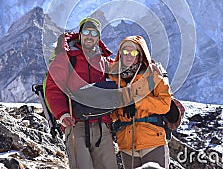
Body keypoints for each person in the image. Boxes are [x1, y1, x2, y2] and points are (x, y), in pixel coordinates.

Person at [45, 17, 118, 169]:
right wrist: (62, 114)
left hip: (102, 125)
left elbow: (125, 74)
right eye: (86, 31)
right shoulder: (66, 58)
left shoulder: (104, 60)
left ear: (98, 37)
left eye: (94, 32)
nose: (89, 36)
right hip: (75, 123)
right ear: (80, 34)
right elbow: (53, 88)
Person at [109, 35, 172, 169]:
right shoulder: (113, 78)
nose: (129, 56)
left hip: (152, 140)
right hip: (126, 144)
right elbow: (112, 114)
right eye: (125, 52)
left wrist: (137, 102)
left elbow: (165, 105)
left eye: (133, 52)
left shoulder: (153, 75)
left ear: (140, 54)